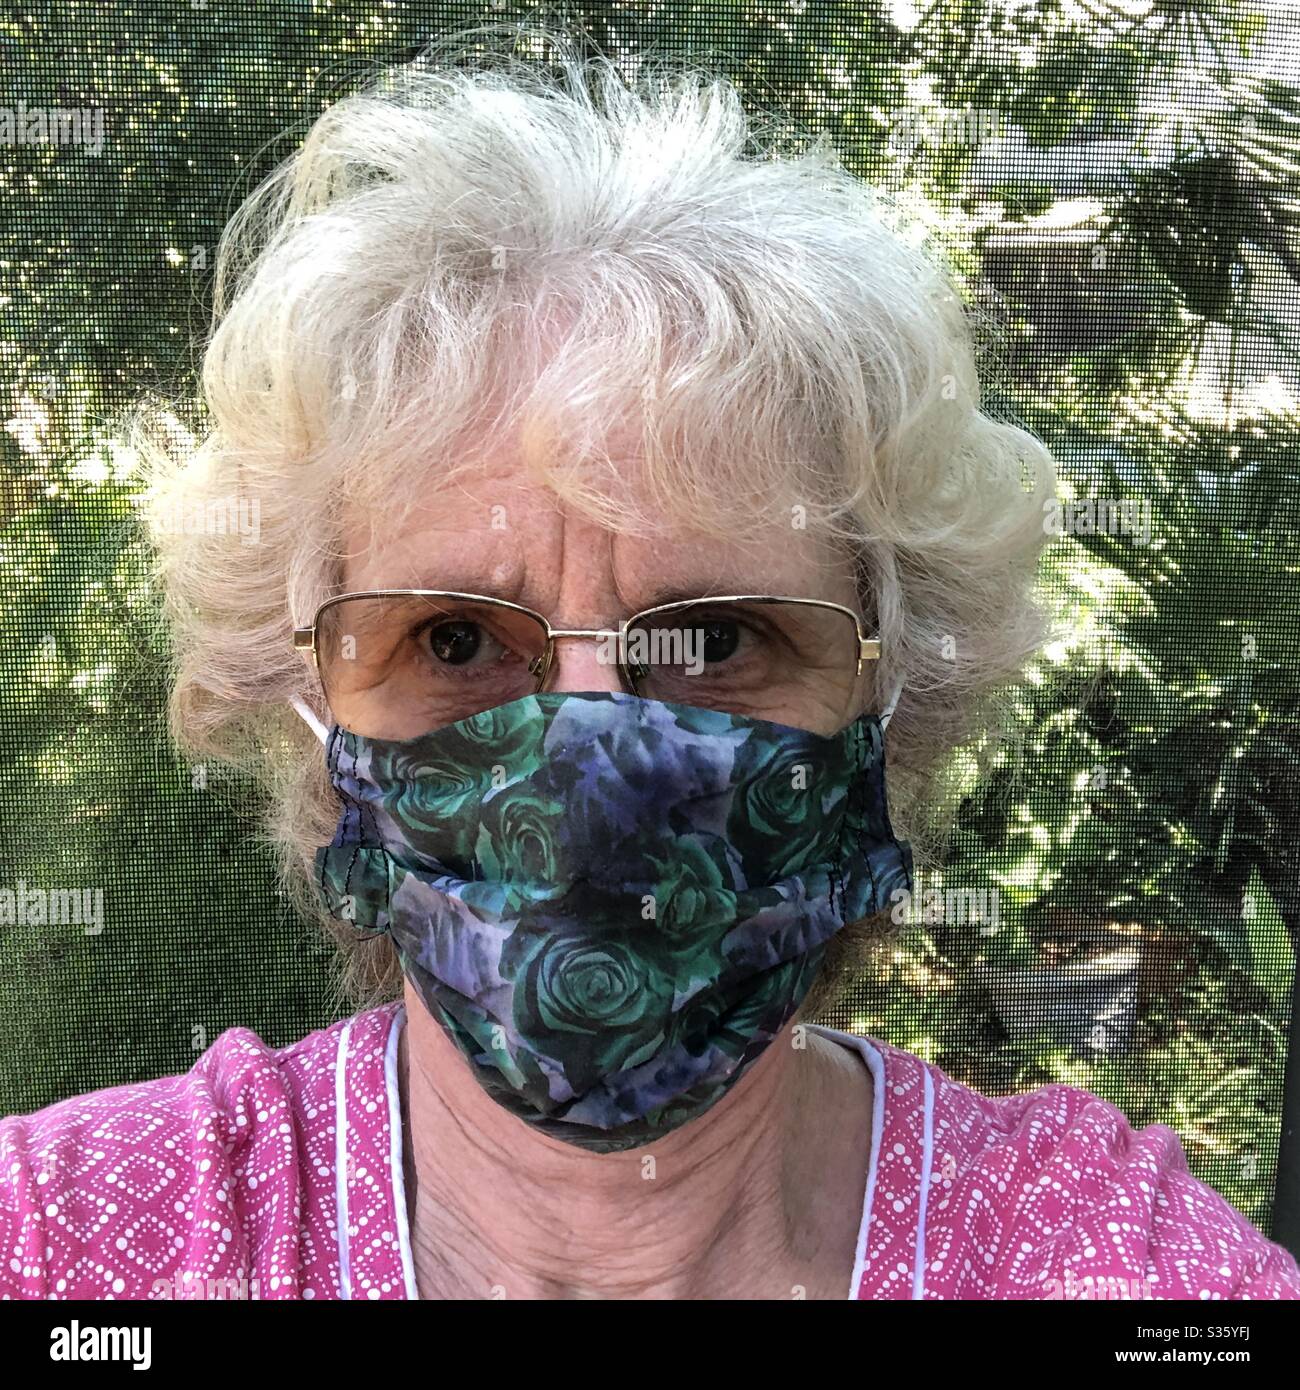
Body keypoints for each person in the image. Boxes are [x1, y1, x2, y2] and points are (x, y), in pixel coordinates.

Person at [3, 23, 1297, 1301]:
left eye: (719, 638)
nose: (589, 773)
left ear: (889, 708)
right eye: (452, 640)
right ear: (309, 721)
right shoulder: (76, 1237)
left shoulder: (1114, 1268)